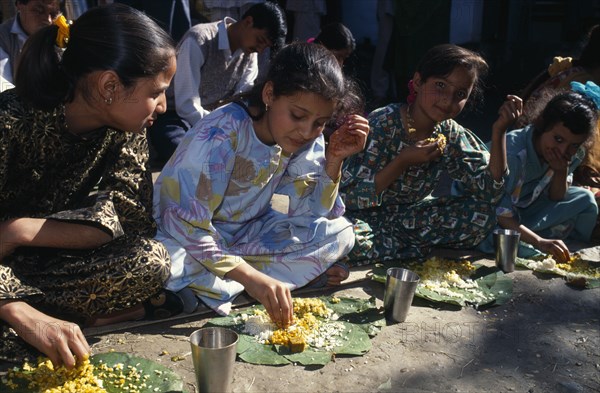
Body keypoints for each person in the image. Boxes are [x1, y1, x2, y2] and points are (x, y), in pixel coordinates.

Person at [0, 4, 179, 367]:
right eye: (156, 92)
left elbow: (129, 220)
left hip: (42, 263)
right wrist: (17, 309)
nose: (162, 106)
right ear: (109, 85)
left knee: (151, 261)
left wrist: (19, 231)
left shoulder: (130, 131)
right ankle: (40, 320)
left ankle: (45, 322)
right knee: (21, 337)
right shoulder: (10, 121)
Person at [153, 42, 369, 327]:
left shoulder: (306, 138)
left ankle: (217, 289)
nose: (306, 131)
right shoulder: (222, 132)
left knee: (342, 234)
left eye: (320, 123)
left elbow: (311, 214)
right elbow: (183, 223)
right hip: (185, 236)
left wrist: (334, 160)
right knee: (162, 264)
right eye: (298, 115)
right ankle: (263, 283)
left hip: (245, 237)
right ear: (269, 94)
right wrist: (251, 277)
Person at [339, 44, 523, 265]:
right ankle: (410, 248)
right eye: (440, 85)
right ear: (418, 82)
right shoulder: (382, 124)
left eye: (461, 94)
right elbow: (348, 197)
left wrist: (500, 130)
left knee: (483, 216)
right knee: (345, 240)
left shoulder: (449, 133)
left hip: (411, 220)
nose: (448, 99)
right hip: (363, 219)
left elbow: (490, 192)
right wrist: (402, 161)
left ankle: (402, 247)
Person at [147, 1, 287, 166]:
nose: (260, 49)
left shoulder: (250, 54)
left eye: (266, 46)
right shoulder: (199, 39)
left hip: (215, 120)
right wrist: (218, 128)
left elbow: (242, 99)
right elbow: (186, 105)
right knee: (182, 151)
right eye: (260, 40)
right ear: (248, 22)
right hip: (174, 116)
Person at [478, 84, 599, 262]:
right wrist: (539, 241)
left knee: (584, 199)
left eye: (573, 145)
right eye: (558, 139)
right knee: (495, 235)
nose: (563, 150)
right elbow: (500, 209)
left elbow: (557, 197)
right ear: (542, 126)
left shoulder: (573, 154)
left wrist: (560, 170)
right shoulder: (514, 154)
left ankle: (533, 236)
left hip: (526, 208)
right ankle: (535, 238)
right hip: (492, 210)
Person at [0, 0, 61, 92]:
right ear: (20, 4)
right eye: (39, 11)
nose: (48, 20)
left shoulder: (61, 34)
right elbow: (4, 86)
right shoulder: (3, 37)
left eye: (53, 14)